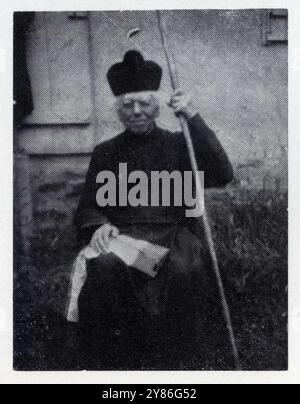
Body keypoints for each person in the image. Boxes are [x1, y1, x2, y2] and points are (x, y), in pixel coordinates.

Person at [75, 50, 234, 370]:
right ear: (118, 111)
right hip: (125, 236)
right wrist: (98, 226)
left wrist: (193, 116)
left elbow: (222, 174)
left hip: (174, 233)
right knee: (105, 267)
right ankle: (119, 359)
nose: (136, 112)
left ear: (157, 106)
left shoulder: (179, 144)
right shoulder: (106, 152)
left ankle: (181, 359)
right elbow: (89, 205)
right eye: (127, 105)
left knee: (182, 270)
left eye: (144, 103)